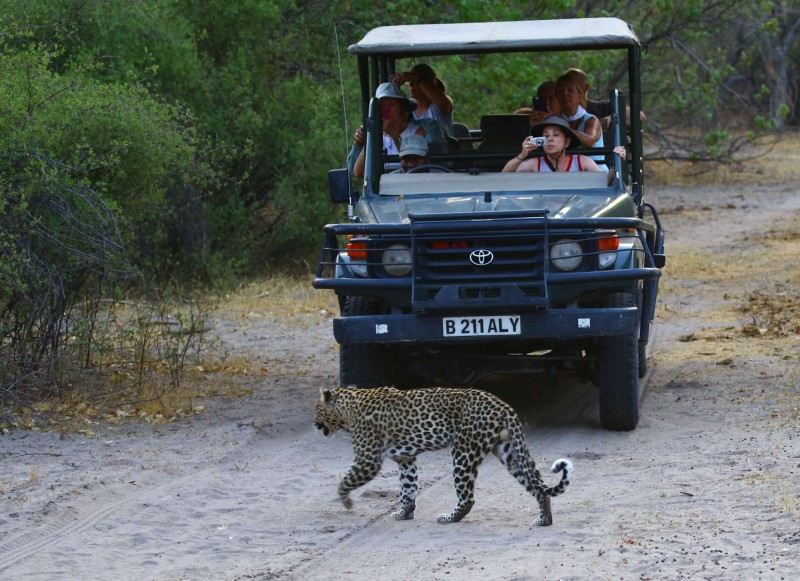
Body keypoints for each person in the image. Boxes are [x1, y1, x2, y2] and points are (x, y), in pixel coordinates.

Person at [347, 82, 445, 178]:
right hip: (382, 190)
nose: (386, 109)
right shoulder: (375, 134)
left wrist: (395, 136)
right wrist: (368, 140)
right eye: (382, 105)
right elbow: (358, 173)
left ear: (402, 108)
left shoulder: (417, 131)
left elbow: (414, 167)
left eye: (392, 104)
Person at [502, 115, 625, 174]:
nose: (550, 139)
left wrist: (619, 160)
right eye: (545, 136)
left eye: (555, 135)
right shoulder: (534, 164)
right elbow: (505, 175)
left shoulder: (581, 162)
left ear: (567, 142)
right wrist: (523, 154)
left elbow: (607, 181)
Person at [554, 73, 607, 170]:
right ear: (557, 96)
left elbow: (589, 141)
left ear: (579, 94)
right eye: (561, 91)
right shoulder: (555, 121)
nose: (565, 93)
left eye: (570, 90)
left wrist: (559, 128)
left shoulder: (591, 120)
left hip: (596, 174)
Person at [565, 67, 647, 130]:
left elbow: (639, 116)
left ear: (586, 88)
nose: (568, 93)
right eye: (566, 89)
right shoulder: (560, 112)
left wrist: (613, 118)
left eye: (575, 88)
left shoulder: (602, 108)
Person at [392, 64, 454, 138]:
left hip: (442, 149)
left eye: (414, 81)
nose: (410, 85)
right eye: (409, 81)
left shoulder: (441, 103)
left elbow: (443, 102)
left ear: (430, 83)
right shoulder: (408, 106)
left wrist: (416, 77)